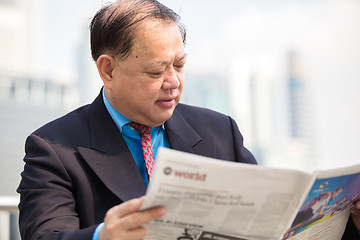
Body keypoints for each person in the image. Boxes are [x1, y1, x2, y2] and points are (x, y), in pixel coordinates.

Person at [16, 0, 360, 240]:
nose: (174, 82)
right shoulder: (54, 148)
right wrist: (103, 236)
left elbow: (273, 221)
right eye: (156, 70)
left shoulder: (219, 131)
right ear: (108, 69)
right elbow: (45, 236)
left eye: (179, 65)